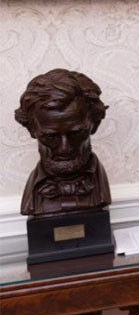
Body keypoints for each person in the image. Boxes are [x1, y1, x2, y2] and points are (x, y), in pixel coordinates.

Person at [15, 68, 112, 217]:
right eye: (50, 136)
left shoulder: (101, 188)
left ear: (95, 124)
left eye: (77, 133)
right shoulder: (31, 199)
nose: (64, 149)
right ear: (31, 130)